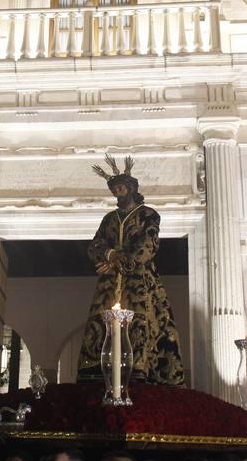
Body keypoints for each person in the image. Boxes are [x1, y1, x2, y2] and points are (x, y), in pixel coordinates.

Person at [77, 155, 184, 385]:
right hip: (109, 284)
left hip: (140, 280)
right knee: (102, 323)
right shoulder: (109, 219)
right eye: (115, 189)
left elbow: (149, 244)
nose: (118, 192)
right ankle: (100, 372)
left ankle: (140, 369)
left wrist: (118, 261)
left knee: (144, 320)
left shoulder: (148, 215)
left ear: (132, 189)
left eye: (122, 188)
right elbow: (95, 244)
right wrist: (110, 255)